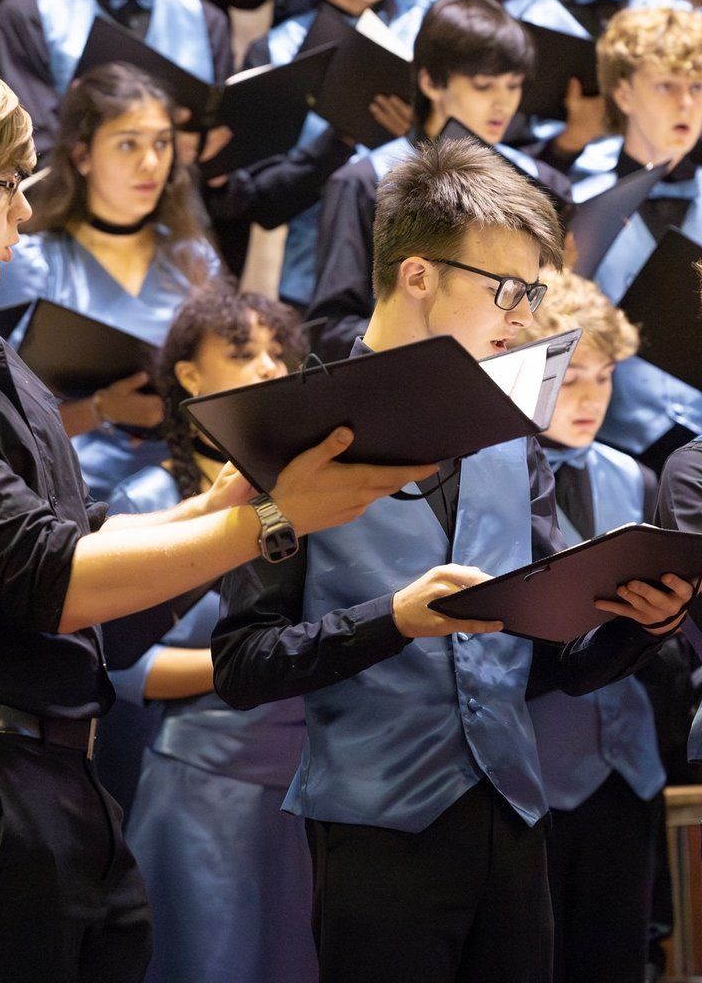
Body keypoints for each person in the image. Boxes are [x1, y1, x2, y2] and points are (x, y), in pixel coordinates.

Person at [0, 43, 433, 982]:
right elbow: (56, 582)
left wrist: (224, 497)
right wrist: (274, 522)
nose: (21, 207)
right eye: (4, 182)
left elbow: (78, 531)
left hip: (41, 765)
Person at [211, 138, 695, 983]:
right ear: (418, 275)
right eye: (505, 289)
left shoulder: (513, 435)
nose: (521, 313)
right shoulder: (289, 436)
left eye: (533, 291)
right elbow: (241, 665)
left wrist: (639, 627)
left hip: (513, 821)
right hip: (374, 829)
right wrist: (392, 620)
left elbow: (552, 663)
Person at [107, 286, 316, 983]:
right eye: (242, 353)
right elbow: (122, 670)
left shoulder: (312, 495)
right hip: (201, 785)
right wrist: (257, 664)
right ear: (190, 377)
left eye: (276, 354)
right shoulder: (147, 502)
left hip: (312, 777)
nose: (267, 368)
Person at [513, 269, 666, 983]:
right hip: (531, 771)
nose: (589, 400)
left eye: (603, 380)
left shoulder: (636, 478)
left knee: (616, 958)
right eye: (571, 379)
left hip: (628, 770)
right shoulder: (494, 479)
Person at [0, 61, 221, 499]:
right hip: (70, 501)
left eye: (162, 143)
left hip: (182, 490)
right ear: (82, 156)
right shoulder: (29, 262)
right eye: (128, 144)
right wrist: (100, 410)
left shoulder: (194, 259)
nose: (151, 163)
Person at [309, 0, 570, 358]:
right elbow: (332, 327)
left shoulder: (542, 183)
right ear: (431, 81)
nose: (503, 104)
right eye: (484, 86)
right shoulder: (364, 181)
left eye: (513, 86)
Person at [208, 0, 415, 307]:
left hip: (420, 276)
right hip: (311, 283)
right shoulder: (277, 49)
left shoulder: (427, 26)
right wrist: (341, 141)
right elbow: (260, 202)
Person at [567, 6, 702, 470]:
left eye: (698, 87)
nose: (686, 103)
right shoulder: (577, 201)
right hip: (608, 446)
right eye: (666, 85)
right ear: (623, 92)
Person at [0, 0, 233, 160]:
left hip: (185, 206)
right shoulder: (27, 13)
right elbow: (34, 148)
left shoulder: (206, 18)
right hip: (71, 206)